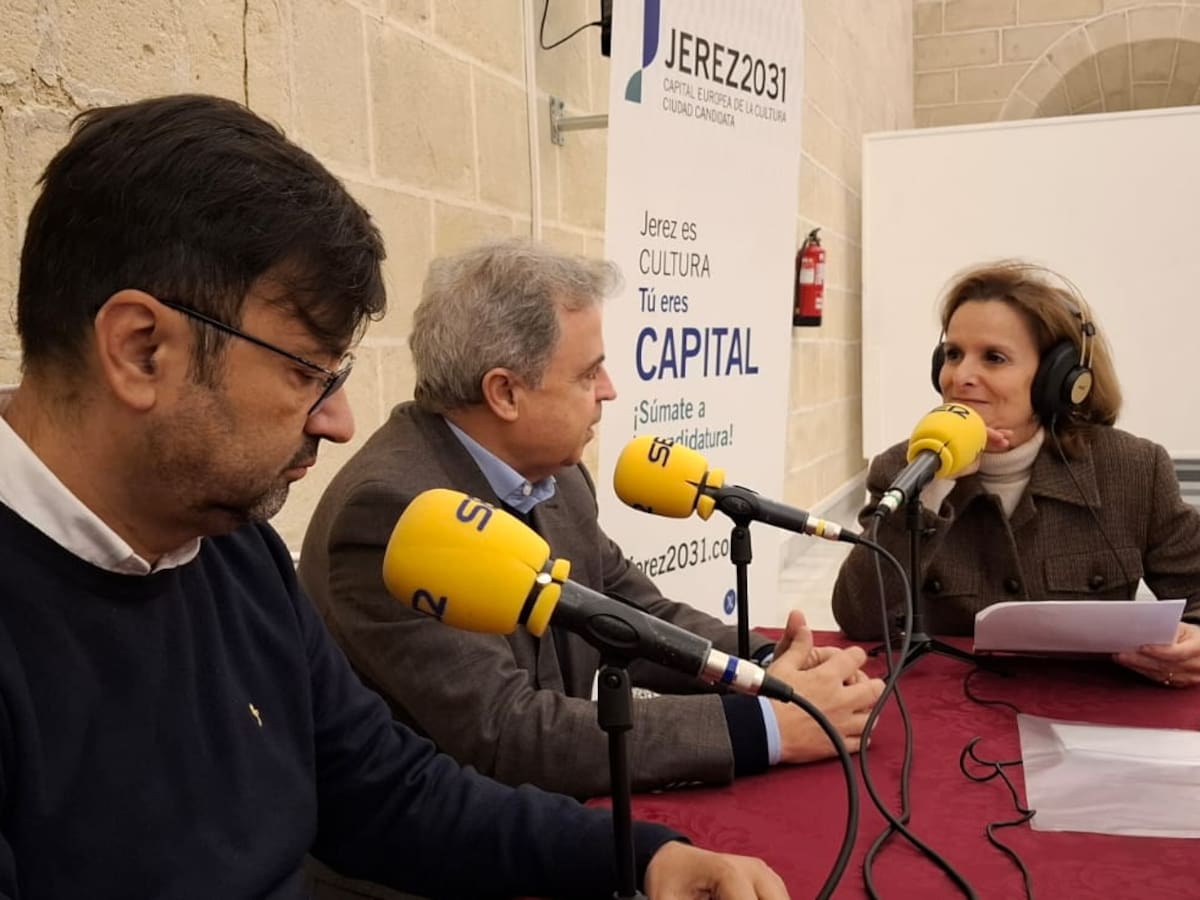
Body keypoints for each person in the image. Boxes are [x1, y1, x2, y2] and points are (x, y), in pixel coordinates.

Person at [0, 93, 790, 900]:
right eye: (305, 373)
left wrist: (640, 857)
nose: (339, 421)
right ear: (142, 351)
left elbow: (387, 792)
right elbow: (497, 736)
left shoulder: (236, 551)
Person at [299, 239, 884, 800]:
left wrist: (769, 668)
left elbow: (635, 615)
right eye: (588, 374)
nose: (609, 390)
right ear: (505, 393)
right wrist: (765, 726)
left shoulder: (558, 476)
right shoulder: (389, 513)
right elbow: (508, 731)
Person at [831, 260, 1200, 687]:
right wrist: (934, 485)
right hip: (952, 709)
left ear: (1059, 379)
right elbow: (859, 618)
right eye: (953, 355)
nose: (960, 377)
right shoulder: (904, 468)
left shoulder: (1134, 469)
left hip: (1090, 705)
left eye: (994, 358)